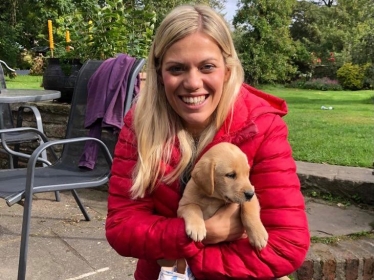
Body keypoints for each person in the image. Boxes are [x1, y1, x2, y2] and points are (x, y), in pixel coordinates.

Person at [105, 4, 310, 280]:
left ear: (227, 69)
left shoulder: (262, 127)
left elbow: (287, 246)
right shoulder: (140, 124)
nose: (192, 82)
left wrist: (188, 260)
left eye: (207, 67)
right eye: (176, 68)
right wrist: (206, 233)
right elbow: (122, 227)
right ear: (158, 72)